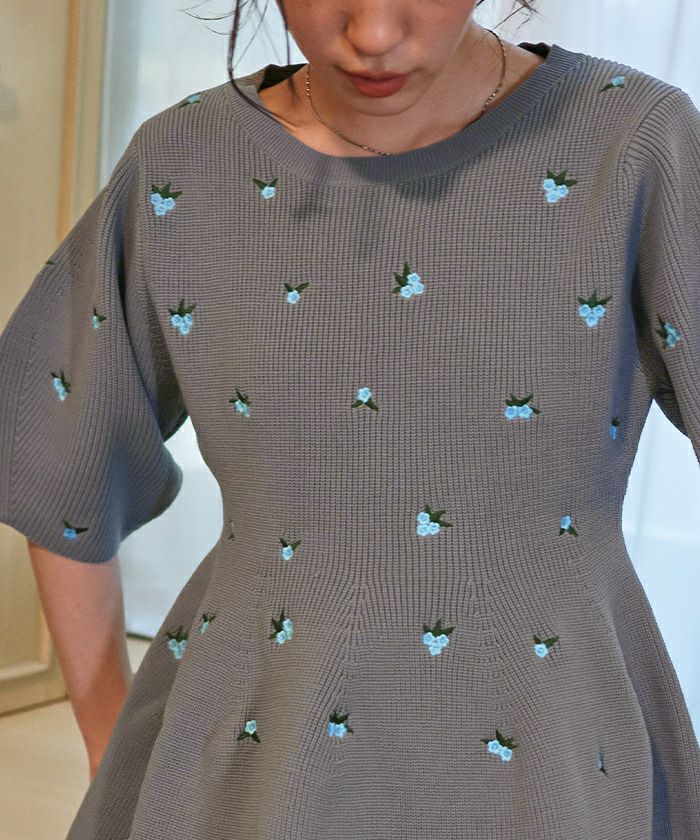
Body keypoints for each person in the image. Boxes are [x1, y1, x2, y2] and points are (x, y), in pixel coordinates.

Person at [1, 0, 699, 837]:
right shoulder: (182, 159)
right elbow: (59, 454)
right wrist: (110, 742)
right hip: (252, 752)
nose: (372, 34)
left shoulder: (634, 141)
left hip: (561, 755)